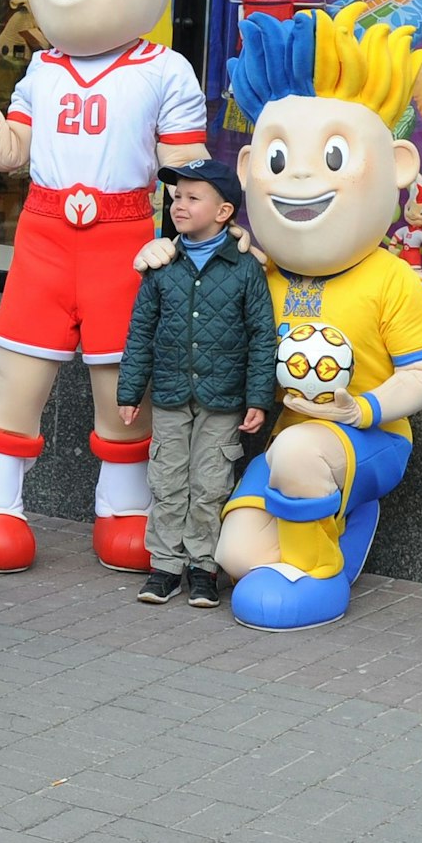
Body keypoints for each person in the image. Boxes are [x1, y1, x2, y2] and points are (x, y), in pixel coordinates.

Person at [116, 159, 274, 608]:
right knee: (167, 480)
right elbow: (141, 330)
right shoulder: (163, 264)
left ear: (224, 212)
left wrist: (258, 396)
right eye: (175, 197)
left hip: (223, 399)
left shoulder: (245, 269)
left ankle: (202, 567)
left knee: (210, 483)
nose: (178, 205)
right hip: (169, 393)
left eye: (191, 197)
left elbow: (264, 335)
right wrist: (130, 391)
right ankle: (165, 565)